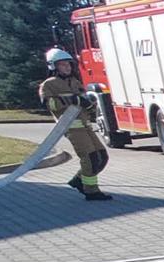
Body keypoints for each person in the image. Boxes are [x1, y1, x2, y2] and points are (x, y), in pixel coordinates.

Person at [39, 47, 112, 201]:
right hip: (71, 127)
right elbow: (51, 105)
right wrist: (73, 100)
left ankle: (79, 180)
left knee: (101, 156)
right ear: (53, 66)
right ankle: (91, 191)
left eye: (69, 64)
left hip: (85, 125)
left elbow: (83, 101)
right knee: (90, 157)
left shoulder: (75, 82)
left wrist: (89, 104)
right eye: (63, 65)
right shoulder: (49, 85)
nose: (67, 67)